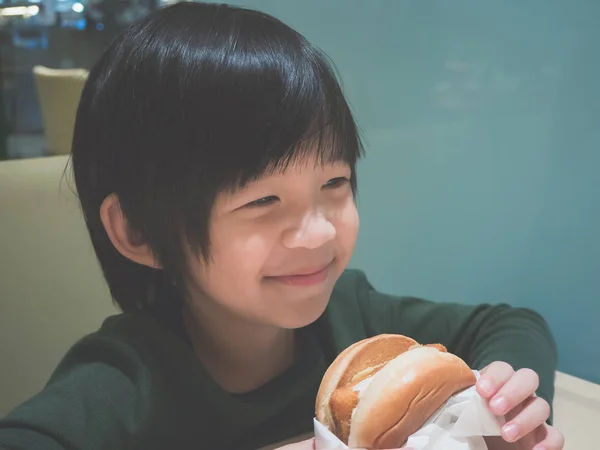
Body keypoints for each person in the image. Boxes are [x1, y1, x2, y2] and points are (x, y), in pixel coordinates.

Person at [0, 3, 564, 450]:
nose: (318, 233)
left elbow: (510, 323)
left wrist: (503, 401)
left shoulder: (354, 320)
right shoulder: (124, 382)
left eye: (334, 184)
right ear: (140, 232)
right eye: (264, 199)